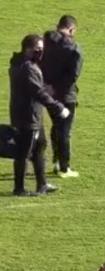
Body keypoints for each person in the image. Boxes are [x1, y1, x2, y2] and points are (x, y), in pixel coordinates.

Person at [9, 34, 69, 196]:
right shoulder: (28, 68)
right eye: (38, 50)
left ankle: (42, 184)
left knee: (40, 146)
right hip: (29, 116)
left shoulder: (19, 63)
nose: (41, 53)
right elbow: (37, 92)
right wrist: (58, 107)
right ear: (28, 50)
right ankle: (19, 188)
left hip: (28, 113)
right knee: (24, 151)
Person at [40, 15, 81, 177]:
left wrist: (48, 86)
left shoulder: (46, 42)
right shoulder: (74, 49)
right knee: (65, 130)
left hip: (47, 93)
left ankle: (56, 161)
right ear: (71, 29)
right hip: (66, 95)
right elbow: (73, 76)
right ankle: (65, 167)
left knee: (56, 126)